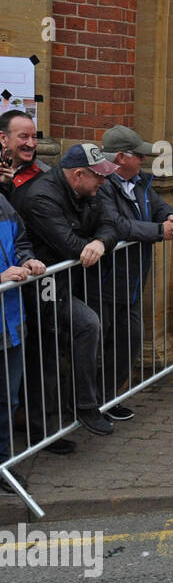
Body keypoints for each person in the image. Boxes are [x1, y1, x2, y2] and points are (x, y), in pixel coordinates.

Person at [16, 143, 122, 438]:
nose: (103, 182)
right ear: (78, 174)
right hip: (40, 286)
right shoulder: (42, 197)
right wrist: (91, 241)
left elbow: (110, 225)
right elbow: (71, 246)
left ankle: (51, 426)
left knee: (55, 350)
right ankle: (64, 417)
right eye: (98, 176)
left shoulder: (87, 192)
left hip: (62, 283)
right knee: (52, 350)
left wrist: (99, 242)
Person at [97, 125, 173, 419]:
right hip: (105, 280)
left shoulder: (138, 183)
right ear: (121, 157)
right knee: (100, 343)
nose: (144, 160)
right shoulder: (102, 185)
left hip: (132, 280)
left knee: (129, 339)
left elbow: (160, 206)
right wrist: (160, 231)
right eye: (138, 155)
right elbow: (117, 225)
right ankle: (91, 404)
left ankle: (109, 398)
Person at [0, 192, 47, 483]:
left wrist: (28, 260)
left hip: (11, 324)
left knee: (8, 399)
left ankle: (3, 462)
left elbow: (20, 242)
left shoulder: (3, 204)